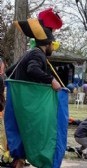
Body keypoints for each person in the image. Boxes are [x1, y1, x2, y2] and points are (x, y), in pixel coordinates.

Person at [5, 10, 62, 168]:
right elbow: (32, 69)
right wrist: (51, 80)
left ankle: (19, 161)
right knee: (37, 133)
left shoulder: (29, 53)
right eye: (53, 45)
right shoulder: (38, 55)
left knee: (21, 140)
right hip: (28, 105)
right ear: (47, 43)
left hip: (18, 104)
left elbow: (9, 72)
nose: (53, 48)